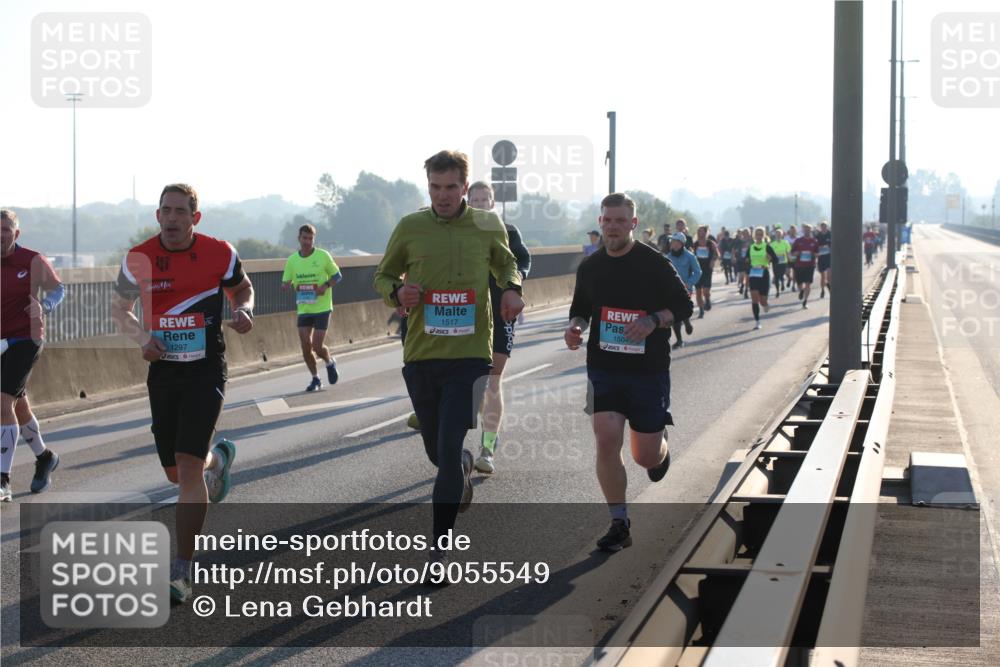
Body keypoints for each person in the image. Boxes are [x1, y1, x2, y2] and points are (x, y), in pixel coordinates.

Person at [374, 151, 523, 575]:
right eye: (435, 188)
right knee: (439, 454)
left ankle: (438, 552)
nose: (443, 196)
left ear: (464, 186)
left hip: (471, 355)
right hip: (422, 355)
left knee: (449, 438)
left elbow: (508, 262)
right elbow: (383, 276)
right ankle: (457, 465)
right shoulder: (411, 227)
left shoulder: (487, 225)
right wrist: (396, 294)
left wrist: (512, 288)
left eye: (451, 187)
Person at [111, 184, 254, 603]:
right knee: (176, 472)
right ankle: (218, 459)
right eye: (165, 211)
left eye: (180, 212)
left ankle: (181, 569)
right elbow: (119, 308)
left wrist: (244, 309)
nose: (172, 218)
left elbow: (242, 288)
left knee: (188, 472)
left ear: (196, 217)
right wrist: (142, 339)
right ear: (157, 216)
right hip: (164, 373)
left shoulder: (219, 253)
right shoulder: (138, 258)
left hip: (206, 369)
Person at [565, 193, 693, 553]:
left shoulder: (653, 263)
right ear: (601, 221)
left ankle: (660, 449)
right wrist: (574, 328)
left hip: (647, 370)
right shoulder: (590, 267)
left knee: (645, 457)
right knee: (606, 438)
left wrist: (654, 320)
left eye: (620, 221)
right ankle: (619, 522)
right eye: (607, 220)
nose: (613, 227)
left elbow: (685, 305)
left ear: (633, 224)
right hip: (604, 368)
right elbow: (580, 311)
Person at [468, 181, 532, 475]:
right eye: (475, 199)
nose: (481, 204)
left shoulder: (508, 232)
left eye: (485, 199)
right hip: (467, 315)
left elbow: (522, 261)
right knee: (472, 382)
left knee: (493, 377)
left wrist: (514, 287)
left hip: (500, 311)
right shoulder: (457, 233)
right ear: (468, 202)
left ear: (493, 203)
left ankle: (487, 449)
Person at [1, 209, 64, 502]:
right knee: (18, 405)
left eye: (5, 230)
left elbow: (57, 290)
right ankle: (45, 457)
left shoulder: (33, 260)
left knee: (2, 403)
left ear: (16, 233)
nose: (0, 236)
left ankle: (3, 481)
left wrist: (45, 307)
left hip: (27, 338)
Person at [281, 224, 342, 392]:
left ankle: (329, 362)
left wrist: (326, 285)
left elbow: (338, 276)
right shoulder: (292, 260)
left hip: (322, 307)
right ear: (299, 238)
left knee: (316, 345)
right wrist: (285, 285)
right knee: (305, 346)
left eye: (310, 238)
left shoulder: (323, 256)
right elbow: (287, 281)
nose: (307, 241)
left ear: (313, 239)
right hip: (304, 308)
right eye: (304, 238)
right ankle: (315, 378)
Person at [664, 232, 700, 349]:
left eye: (674, 241)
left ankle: (687, 321)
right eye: (671, 241)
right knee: (675, 313)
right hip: (671, 289)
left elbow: (698, 272)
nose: (671, 243)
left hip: (686, 288)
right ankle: (679, 340)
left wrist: (689, 283)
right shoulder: (668, 257)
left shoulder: (690, 256)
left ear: (680, 243)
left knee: (682, 310)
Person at [747, 226, 779, 330]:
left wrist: (769, 259)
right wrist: (747, 262)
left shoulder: (767, 247)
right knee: (754, 297)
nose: (759, 236)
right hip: (753, 274)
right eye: (757, 234)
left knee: (762, 300)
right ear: (754, 236)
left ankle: (765, 304)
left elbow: (776, 260)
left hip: (764, 274)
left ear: (764, 236)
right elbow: (746, 260)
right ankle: (757, 322)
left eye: (761, 234)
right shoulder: (751, 247)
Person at [691, 225, 719, 318]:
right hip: (697, 270)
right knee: (698, 292)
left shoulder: (710, 243)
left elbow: (717, 254)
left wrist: (712, 261)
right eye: (699, 231)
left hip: (707, 269)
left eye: (702, 231)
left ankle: (707, 299)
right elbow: (690, 255)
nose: (700, 233)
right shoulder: (695, 244)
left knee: (706, 290)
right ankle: (701, 310)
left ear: (706, 232)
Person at [790, 223, 819, 309]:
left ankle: (805, 301)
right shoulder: (798, 241)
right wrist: (798, 253)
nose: (807, 231)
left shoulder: (814, 241)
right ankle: (801, 290)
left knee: (808, 283)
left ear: (811, 231)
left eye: (808, 229)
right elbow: (792, 252)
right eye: (805, 229)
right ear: (803, 230)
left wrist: (813, 254)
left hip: (810, 265)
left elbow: (817, 253)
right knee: (799, 283)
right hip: (799, 265)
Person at [769, 228, 792, 296]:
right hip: (775, 263)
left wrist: (789, 260)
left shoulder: (785, 242)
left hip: (784, 262)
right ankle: (777, 291)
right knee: (776, 276)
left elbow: (788, 252)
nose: (778, 235)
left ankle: (788, 279)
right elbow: (770, 254)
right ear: (775, 235)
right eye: (777, 234)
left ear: (782, 235)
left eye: (779, 234)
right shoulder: (772, 244)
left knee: (784, 274)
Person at [815, 221, 832, 298]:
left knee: (829, 276)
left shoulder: (830, 234)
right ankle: (822, 290)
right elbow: (815, 247)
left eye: (825, 226)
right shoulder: (818, 236)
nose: (823, 227)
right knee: (822, 276)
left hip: (828, 257)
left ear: (827, 226)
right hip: (821, 257)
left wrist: (829, 247)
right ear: (820, 227)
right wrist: (819, 248)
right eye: (822, 226)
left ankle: (829, 286)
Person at [734, 228, 752, 298]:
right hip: (740, 260)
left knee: (747, 276)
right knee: (741, 276)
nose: (745, 234)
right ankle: (742, 285)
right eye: (744, 233)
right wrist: (733, 257)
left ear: (749, 233)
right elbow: (734, 249)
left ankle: (746, 291)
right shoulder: (738, 241)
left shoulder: (752, 241)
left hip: (748, 261)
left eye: (747, 233)